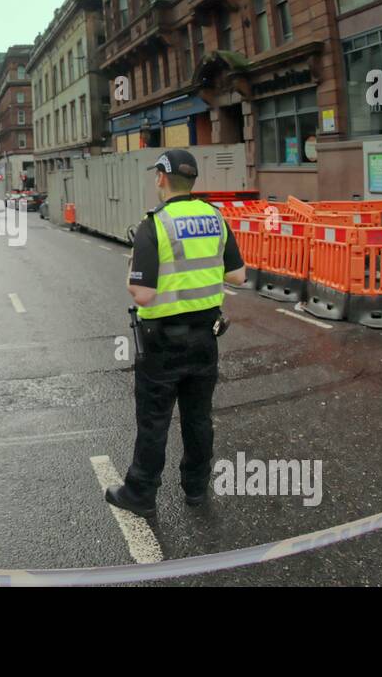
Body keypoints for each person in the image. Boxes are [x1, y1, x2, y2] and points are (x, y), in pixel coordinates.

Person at [105, 149, 247, 518]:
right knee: (198, 417)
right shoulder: (216, 218)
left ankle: (140, 493)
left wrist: (130, 274)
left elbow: (144, 293)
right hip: (205, 338)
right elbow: (237, 276)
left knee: (154, 419)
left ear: (162, 178)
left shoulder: (155, 225)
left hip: (162, 341)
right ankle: (196, 489)